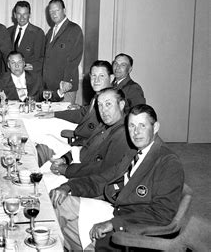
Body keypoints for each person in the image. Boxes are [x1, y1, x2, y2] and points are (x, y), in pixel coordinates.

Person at [51, 104, 184, 251]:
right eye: (131, 126)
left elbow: (162, 214)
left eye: (142, 126)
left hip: (133, 228)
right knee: (59, 202)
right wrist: (69, 186)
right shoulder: (134, 152)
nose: (136, 132)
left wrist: (113, 223)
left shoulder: (168, 162)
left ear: (156, 127)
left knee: (65, 229)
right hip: (116, 206)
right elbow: (104, 178)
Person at [47, 88, 134, 178]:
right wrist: (65, 159)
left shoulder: (123, 134)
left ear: (121, 105)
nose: (103, 110)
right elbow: (87, 147)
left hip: (89, 180)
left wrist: (66, 170)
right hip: (78, 168)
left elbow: (102, 170)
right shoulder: (104, 125)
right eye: (100, 105)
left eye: (108, 104)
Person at [37, 60, 115, 146]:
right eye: (93, 76)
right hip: (83, 143)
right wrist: (54, 114)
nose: (96, 80)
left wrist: (69, 154)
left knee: (43, 143)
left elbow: (98, 138)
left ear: (111, 78)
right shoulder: (98, 96)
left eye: (101, 76)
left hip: (89, 148)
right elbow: (82, 113)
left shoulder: (111, 102)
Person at [42, 0, 83, 104]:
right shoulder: (51, 32)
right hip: (50, 87)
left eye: (57, 10)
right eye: (51, 11)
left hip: (65, 86)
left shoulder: (74, 29)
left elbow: (74, 58)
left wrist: (67, 80)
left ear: (64, 10)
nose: (53, 14)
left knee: (64, 117)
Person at [6, 1, 45, 78]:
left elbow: (41, 58)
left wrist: (32, 66)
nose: (22, 17)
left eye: (25, 14)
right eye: (19, 14)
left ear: (29, 15)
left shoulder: (38, 33)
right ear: (14, 15)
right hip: (10, 79)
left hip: (29, 78)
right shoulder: (8, 31)